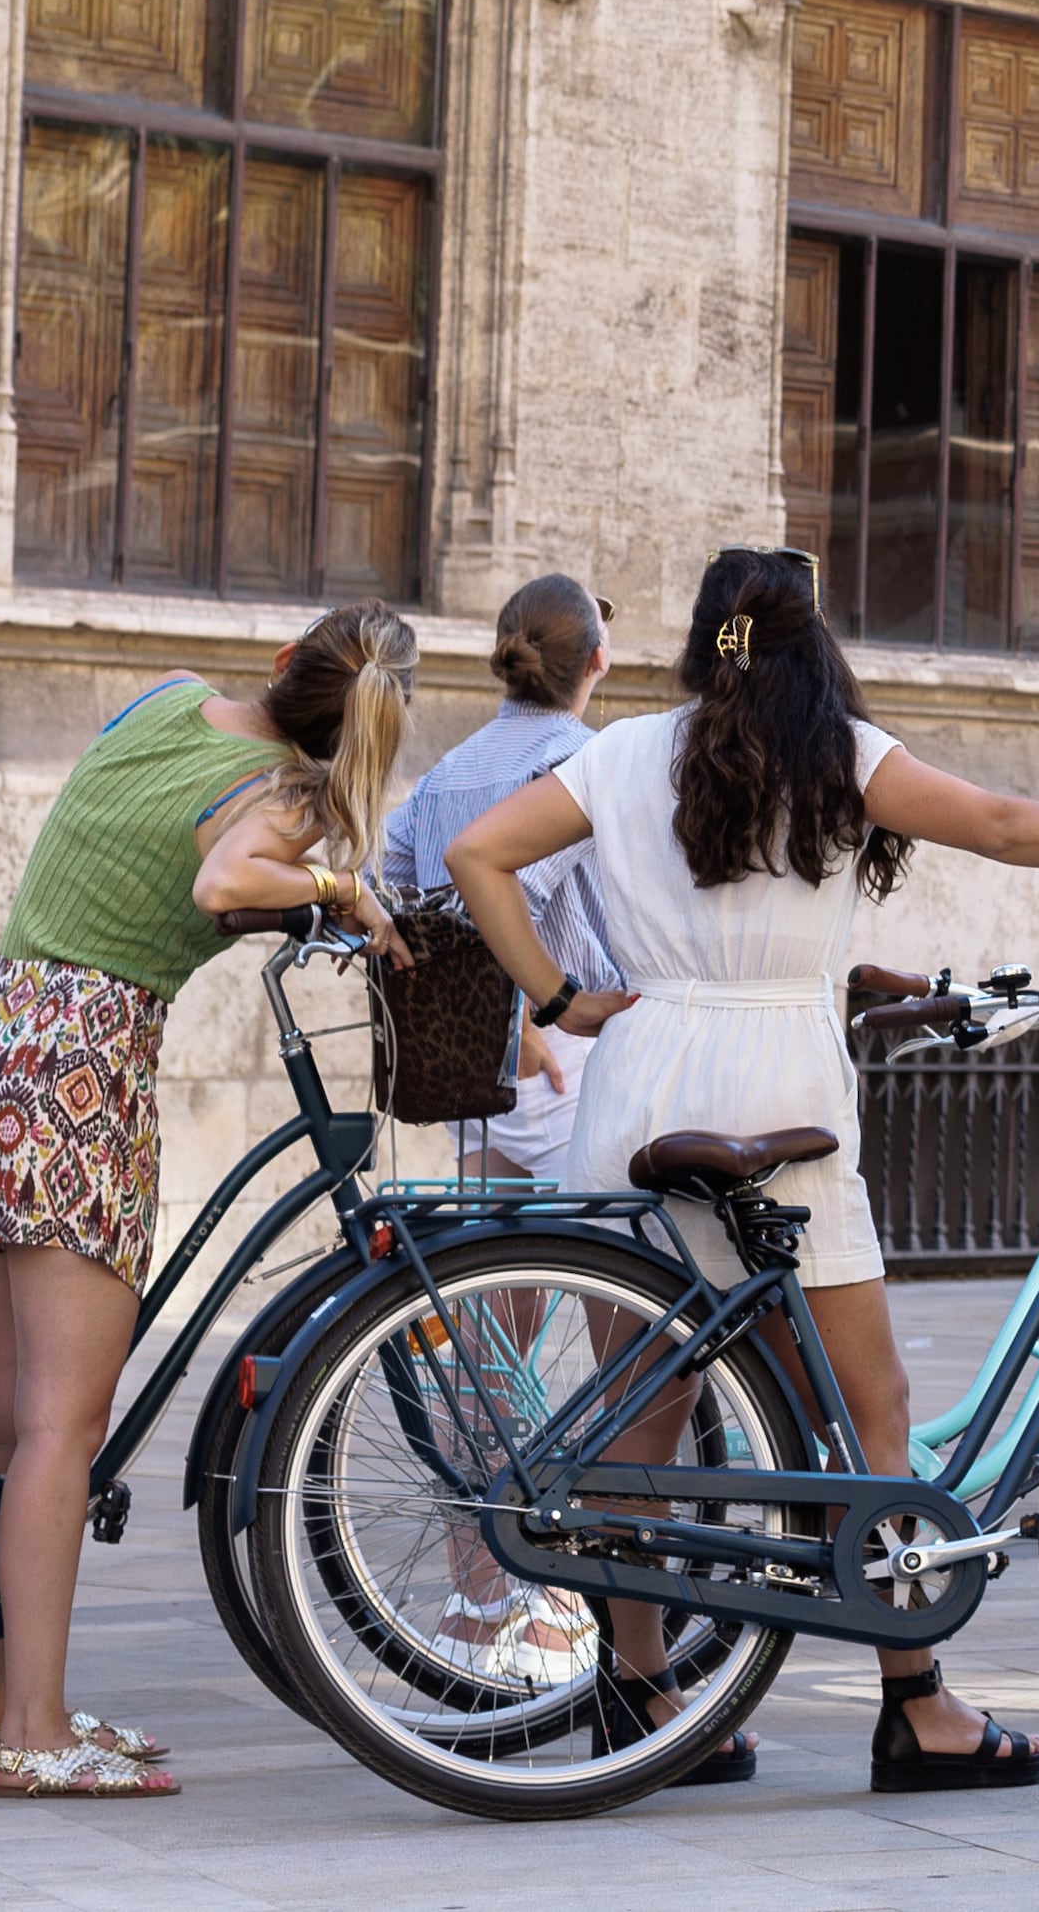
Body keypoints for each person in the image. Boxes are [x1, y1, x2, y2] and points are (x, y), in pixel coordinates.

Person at [443, 544, 1039, 1787]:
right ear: (810, 640)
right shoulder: (837, 752)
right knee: (867, 1408)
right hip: (777, 1086)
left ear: (699, 638)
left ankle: (637, 1695)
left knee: (643, 1409)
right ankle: (917, 1704)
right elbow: (1006, 825)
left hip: (639, 1078)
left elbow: (478, 854)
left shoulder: (624, 752)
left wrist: (560, 998)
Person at [0, 605, 418, 1799]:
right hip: (79, 1068)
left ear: (288, 661)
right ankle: (36, 1737)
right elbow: (218, 877)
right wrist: (341, 889)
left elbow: (132, 846)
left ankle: (19, 1717)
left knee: (0, 1428)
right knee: (59, 1432)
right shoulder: (286, 792)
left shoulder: (162, 697)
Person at [367, 571, 620, 1682]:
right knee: (635, 1343)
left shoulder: (448, 771)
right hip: (573, 1069)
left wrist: (494, 1024)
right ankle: (572, 1605)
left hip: (482, 1080)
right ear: (595, 664)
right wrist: (541, 1011)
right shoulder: (584, 762)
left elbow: (392, 897)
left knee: (491, 1342)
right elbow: (511, 880)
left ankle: (485, 1601)